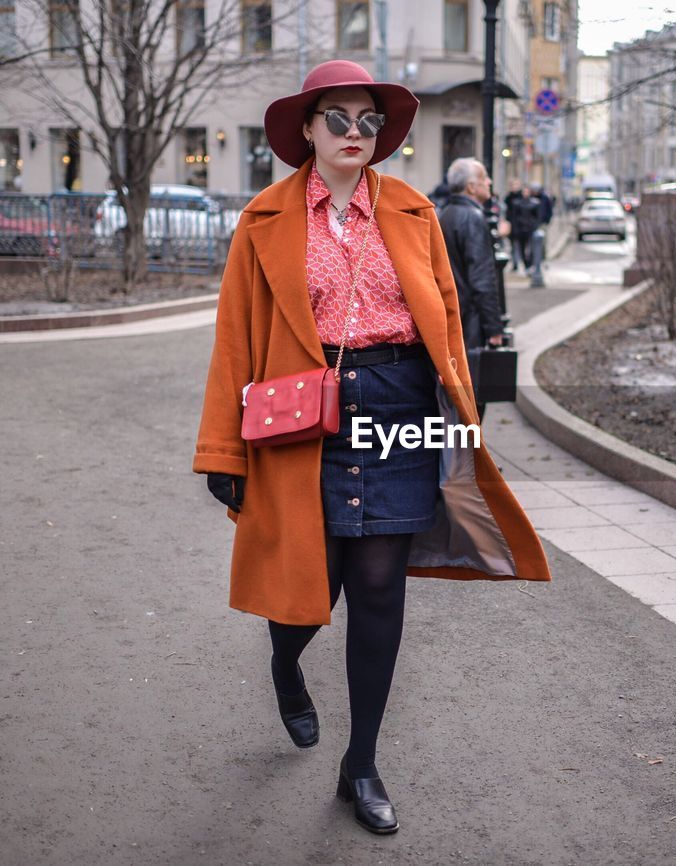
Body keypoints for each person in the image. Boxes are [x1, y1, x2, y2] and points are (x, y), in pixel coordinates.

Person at [192, 60, 551, 836]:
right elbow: (235, 340)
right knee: (309, 584)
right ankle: (287, 662)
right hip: (302, 412)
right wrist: (224, 452)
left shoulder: (415, 210)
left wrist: (464, 418)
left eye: (369, 121)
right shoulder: (264, 218)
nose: (356, 133)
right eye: (339, 118)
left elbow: (447, 319)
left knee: (381, 584)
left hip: (399, 406)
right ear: (309, 130)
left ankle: (362, 762)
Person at [438, 158, 505, 352]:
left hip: (451, 313)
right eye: (484, 178)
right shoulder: (473, 218)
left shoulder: (445, 214)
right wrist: (494, 328)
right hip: (469, 319)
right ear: (471, 187)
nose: (489, 182)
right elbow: (482, 278)